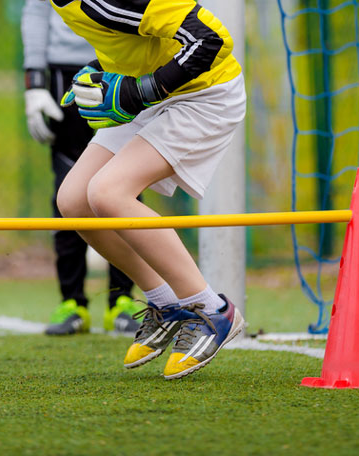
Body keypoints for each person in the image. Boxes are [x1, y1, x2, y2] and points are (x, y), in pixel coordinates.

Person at [49, 0, 247, 379]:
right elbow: (134, 38)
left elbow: (211, 40)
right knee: (73, 200)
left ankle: (212, 309)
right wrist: (102, 72)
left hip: (204, 94)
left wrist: (140, 90)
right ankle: (166, 302)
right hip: (156, 95)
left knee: (108, 193)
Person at [21, 0, 144, 336]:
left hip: (123, 62)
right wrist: (33, 81)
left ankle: (124, 300)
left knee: (126, 187)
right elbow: (35, 10)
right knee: (66, 189)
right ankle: (73, 301)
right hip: (64, 71)